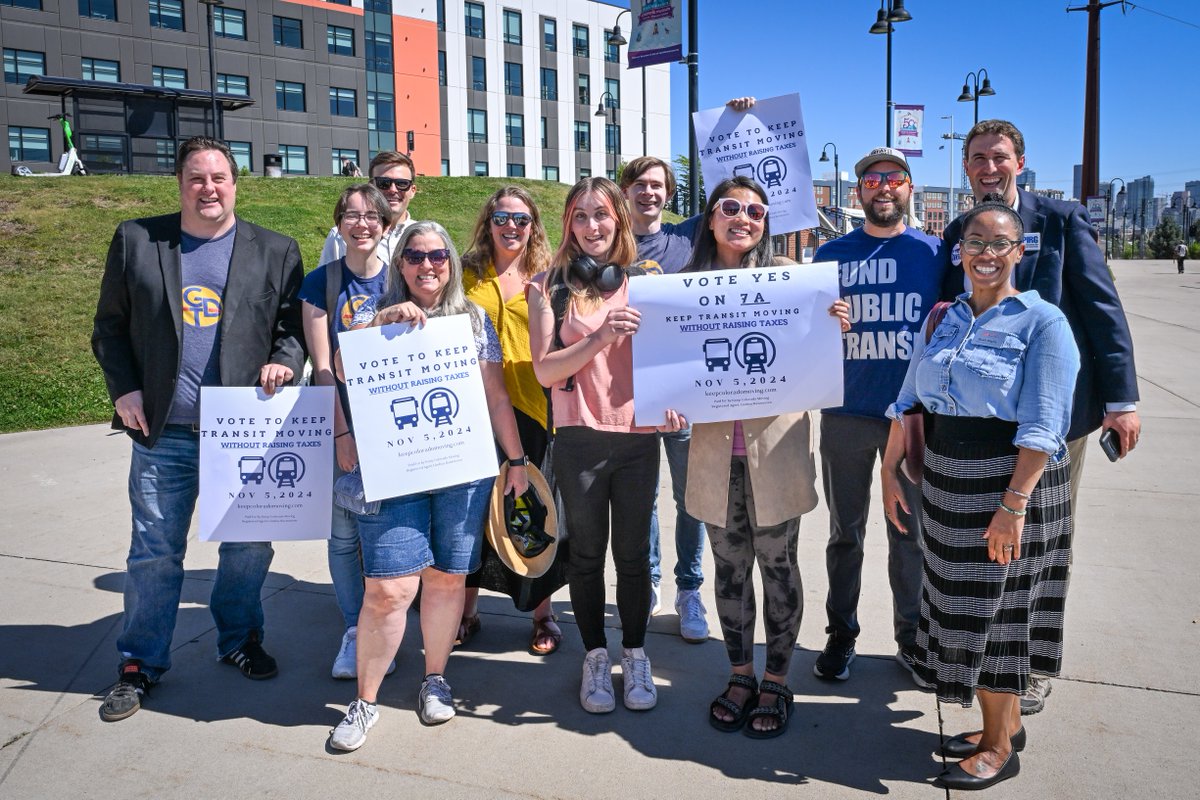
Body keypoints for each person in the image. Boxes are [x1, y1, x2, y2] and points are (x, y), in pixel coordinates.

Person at [92, 137, 306, 721]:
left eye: (218, 178)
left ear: (235, 183)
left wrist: (285, 360)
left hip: (243, 432)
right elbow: (110, 328)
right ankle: (140, 662)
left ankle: (239, 639)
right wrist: (124, 388)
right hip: (166, 432)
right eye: (196, 178)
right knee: (154, 552)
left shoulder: (276, 249)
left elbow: (292, 326)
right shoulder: (139, 239)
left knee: (247, 547)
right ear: (180, 183)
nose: (208, 188)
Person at [882, 194, 1080, 790]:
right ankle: (1005, 725)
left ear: (1020, 252)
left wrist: (1012, 507)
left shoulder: (1044, 322)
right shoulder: (944, 317)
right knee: (959, 608)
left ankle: (998, 748)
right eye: (975, 243)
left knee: (997, 614)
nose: (986, 254)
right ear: (958, 250)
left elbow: (1045, 426)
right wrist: (890, 471)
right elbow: (909, 397)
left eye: (1000, 244)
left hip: (1006, 488)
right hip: (945, 484)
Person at [943, 119, 1141, 715]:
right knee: (991, 541)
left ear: (1019, 163)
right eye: (977, 158)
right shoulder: (959, 230)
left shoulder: (1060, 220)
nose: (987, 167)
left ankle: (1030, 664)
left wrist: (1122, 400)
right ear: (967, 168)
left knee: (1046, 539)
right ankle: (986, 657)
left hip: (1056, 416)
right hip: (983, 421)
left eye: (998, 157)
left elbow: (1103, 308)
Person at [328, 222, 529, 750]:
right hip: (396, 476)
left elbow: (494, 396)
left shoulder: (473, 320)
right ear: (401, 265)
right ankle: (365, 701)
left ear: (451, 262)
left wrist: (516, 460)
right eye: (415, 255)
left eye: (438, 255)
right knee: (388, 589)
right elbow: (342, 369)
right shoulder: (374, 318)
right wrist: (379, 325)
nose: (427, 265)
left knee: (445, 581)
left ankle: (434, 677)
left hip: (461, 472)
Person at [679, 177, 848, 738]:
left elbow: (815, 362)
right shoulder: (681, 290)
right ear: (710, 218)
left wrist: (831, 327)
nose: (744, 218)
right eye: (731, 207)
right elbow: (666, 370)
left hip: (775, 449)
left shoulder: (792, 286)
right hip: (711, 452)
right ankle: (740, 674)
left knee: (778, 568)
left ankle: (777, 678)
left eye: (756, 210)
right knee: (729, 570)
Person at [527, 177, 670, 714]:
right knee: (586, 558)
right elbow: (545, 370)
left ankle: (634, 654)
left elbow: (678, 357)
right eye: (581, 216)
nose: (592, 226)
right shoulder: (548, 286)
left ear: (621, 219)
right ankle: (593, 657)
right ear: (568, 223)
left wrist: (677, 400)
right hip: (579, 439)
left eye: (602, 214)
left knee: (633, 558)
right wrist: (600, 336)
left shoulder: (649, 285)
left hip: (637, 439)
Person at [811, 147, 945, 686]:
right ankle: (841, 634)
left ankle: (910, 638)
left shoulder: (937, 253)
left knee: (909, 533)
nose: (882, 186)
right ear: (857, 192)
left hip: (910, 416)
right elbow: (799, 332)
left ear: (910, 188)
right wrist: (824, 323)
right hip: (845, 411)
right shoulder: (829, 254)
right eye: (872, 179)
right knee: (846, 532)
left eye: (893, 178)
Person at [459, 186, 563, 655]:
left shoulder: (548, 277)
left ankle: (542, 614)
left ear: (533, 226)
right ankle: (466, 611)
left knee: (532, 509)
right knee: (474, 512)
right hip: (473, 408)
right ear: (488, 221)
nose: (511, 228)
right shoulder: (463, 275)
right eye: (502, 218)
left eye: (521, 220)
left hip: (536, 407)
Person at [299, 183, 395, 679]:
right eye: (352, 216)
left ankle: (386, 629)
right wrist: (341, 434)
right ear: (338, 224)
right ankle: (354, 632)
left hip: (394, 429)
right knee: (342, 536)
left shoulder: (401, 280)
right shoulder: (321, 283)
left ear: (386, 224)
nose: (362, 224)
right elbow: (321, 369)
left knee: (386, 532)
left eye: (371, 216)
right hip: (344, 426)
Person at [618, 155, 708, 641]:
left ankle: (689, 589)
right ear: (625, 191)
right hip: (625, 392)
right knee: (642, 498)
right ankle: (648, 582)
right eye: (639, 184)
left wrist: (740, 121)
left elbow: (732, 189)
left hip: (682, 390)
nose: (648, 192)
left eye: (657, 185)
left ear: (669, 194)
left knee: (690, 497)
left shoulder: (687, 236)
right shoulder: (609, 241)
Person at [319, 151, 417, 268]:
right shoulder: (340, 236)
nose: (393, 190)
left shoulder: (425, 237)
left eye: (402, 183)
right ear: (371, 186)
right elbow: (325, 281)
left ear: (412, 190)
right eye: (384, 183)